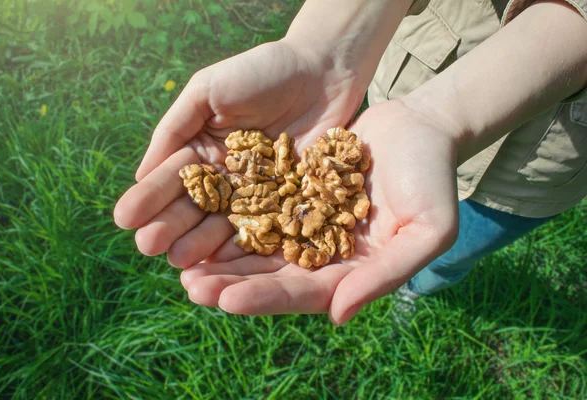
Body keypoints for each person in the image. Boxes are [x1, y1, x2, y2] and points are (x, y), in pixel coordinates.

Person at [114, 0, 587, 325]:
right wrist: (323, 44)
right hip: (412, 71)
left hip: (538, 175)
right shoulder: (301, 188)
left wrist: (443, 117)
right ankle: (418, 283)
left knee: (459, 249)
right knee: (427, 244)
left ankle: (423, 287)